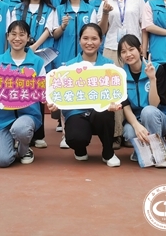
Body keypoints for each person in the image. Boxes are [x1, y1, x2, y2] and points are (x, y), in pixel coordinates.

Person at [48, 24, 122, 167]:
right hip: (77, 113)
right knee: (76, 138)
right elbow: (61, 94)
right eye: (85, 38)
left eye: (94, 38)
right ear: (79, 40)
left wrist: (114, 102)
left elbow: (114, 92)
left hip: (100, 113)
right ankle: (80, 150)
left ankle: (108, 152)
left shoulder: (109, 65)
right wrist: (56, 103)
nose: (89, 42)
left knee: (104, 114)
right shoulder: (69, 66)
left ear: (101, 41)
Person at [0, 20, 45, 167]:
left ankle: (24, 149)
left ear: (28, 37)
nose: (17, 38)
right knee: (2, 160)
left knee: (20, 129)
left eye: (22, 34)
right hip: (0, 119)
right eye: (13, 34)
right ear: (7, 36)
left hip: (27, 116)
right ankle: (7, 146)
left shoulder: (38, 63)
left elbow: (43, 90)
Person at [98, 0, 145, 149]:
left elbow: (144, 26)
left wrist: (143, 48)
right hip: (112, 49)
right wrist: (105, 13)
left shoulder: (138, 0)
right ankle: (116, 133)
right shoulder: (105, 3)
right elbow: (102, 31)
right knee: (114, 91)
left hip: (133, 49)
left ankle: (131, 128)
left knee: (132, 88)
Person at [11, 0, 56, 149]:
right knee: (20, 90)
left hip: (40, 56)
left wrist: (34, 46)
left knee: (38, 92)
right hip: (19, 54)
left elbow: (49, 30)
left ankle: (38, 134)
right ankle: (20, 130)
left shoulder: (50, 9)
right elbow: (13, 31)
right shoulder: (17, 9)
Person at [118, 34, 166, 167]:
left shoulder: (157, 69)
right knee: (129, 131)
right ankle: (143, 152)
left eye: (131, 49)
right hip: (136, 119)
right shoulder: (120, 75)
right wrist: (137, 126)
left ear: (140, 49)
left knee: (148, 111)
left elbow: (154, 105)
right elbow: (126, 107)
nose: (128, 54)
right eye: (123, 52)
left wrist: (152, 79)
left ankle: (159, 155)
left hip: (158, 117)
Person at [51, 0, 97, 68]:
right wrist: (62, 26)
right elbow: (55, 35)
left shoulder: (90, 10)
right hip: (63, 58)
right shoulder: (59, 9)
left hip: (85, 58)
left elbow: (94, 34)